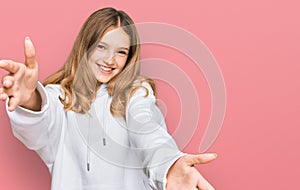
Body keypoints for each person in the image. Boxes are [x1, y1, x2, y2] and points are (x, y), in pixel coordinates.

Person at [0, 7, 217, 190]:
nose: (110, 60)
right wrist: (30, 97)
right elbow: (41, 122)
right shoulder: (60, 97)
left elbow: (149, 130)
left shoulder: (136, 93)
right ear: (85, 47)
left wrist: (169, 165)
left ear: (129, 57)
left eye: (121, 52)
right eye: (102, 47)